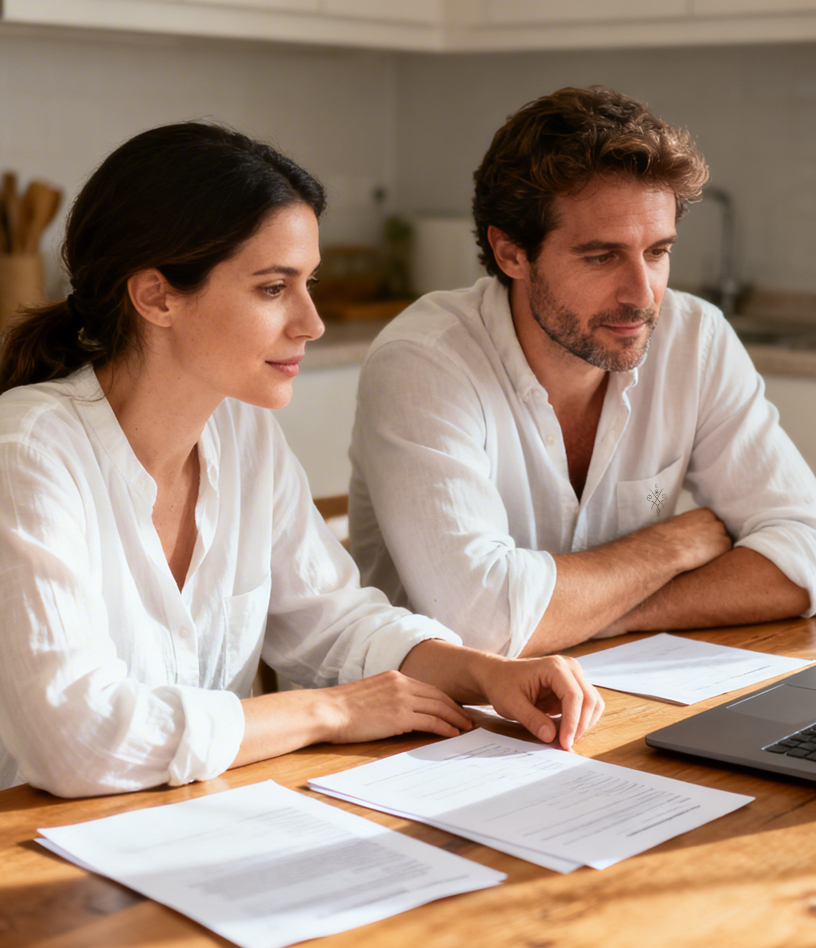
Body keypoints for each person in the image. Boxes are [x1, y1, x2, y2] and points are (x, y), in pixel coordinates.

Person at [0, 122, 603, 798]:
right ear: (156, 296)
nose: (311, 322)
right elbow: (75, 738)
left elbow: (332, 619)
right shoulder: (28, 452)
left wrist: (483, 673)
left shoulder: (243, 430)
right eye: (271, 288)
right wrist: (327, 711)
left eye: (308, 283)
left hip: (192, 823)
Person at [349, 86, 816, 659]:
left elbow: (813, 560)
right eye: (601, 256)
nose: (642, 295)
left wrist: (594, 615)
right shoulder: (424, 362)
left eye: (657, 252)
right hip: (435, 728)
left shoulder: (695, 339)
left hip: (614, 693)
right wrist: (671, 545)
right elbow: (485, 626)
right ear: (511, 254)